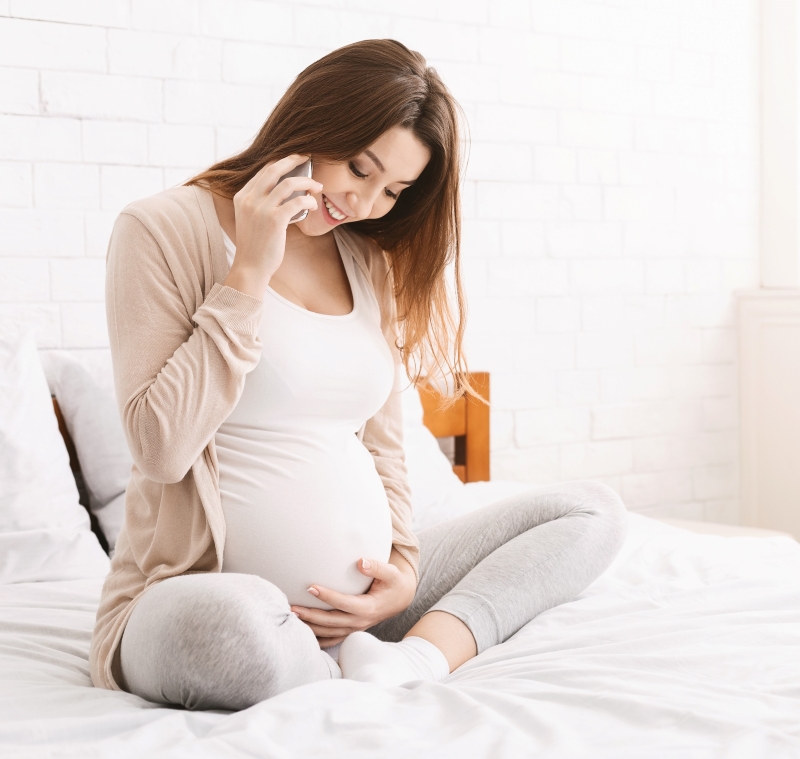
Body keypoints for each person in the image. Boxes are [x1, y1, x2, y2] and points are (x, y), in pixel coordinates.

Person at [89, 39, 627, 711]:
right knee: (231, 627)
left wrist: (402, 567)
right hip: (202, 596)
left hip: (366, 616)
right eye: (358, 168)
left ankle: (417, 659)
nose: (364, 201)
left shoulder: (365, 258)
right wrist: (248, 273)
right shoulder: (163, 228)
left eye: (393, 190)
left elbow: (384, 446)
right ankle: (319, 673)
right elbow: (160, 449)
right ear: (309, 124)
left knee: (590, 513)